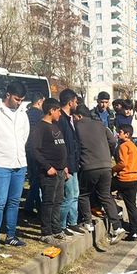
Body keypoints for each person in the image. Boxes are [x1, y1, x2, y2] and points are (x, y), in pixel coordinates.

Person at [0, 81, 30, 252]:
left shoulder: (22, 113)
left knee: (14, 202)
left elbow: (25, 134)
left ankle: (11, 235)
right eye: (17, 99)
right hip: (1, 163)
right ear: (8, 95)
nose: (19, 103)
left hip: (19, 162)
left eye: (22, 100)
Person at [74, 104, 125, 239]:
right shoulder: (101, 125)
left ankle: (87, 221)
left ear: (79, 116)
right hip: (106, 165)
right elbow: (113, 140)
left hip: (89, 166)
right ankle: (117, 225)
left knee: (84, 194)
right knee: (105, 195)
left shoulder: (77, 126)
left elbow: (75, 146)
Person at [27, 98, 69, 244]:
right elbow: (34, 150)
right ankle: (46, 232)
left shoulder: (55, 126)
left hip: (60, 171)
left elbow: (60, 147)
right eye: (58, 110)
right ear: (51, 110)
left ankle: (56, 229)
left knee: (58, 201)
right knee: (48, 202)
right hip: (48, 172)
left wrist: (64, 166)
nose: (60, 114)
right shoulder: (40, 127)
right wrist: (47, 166)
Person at [58, 88, 85, 235]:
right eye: (75, 101)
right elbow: (62, 145)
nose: (76, 104)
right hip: (66, 165)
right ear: (70, 102)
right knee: (68, 196)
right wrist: (65, 166)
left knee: (75, 194)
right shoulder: (61, 119)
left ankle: (72, 222)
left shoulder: (70, 118)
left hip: (74, 163)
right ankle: (61, 224)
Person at [112, 124, 137, 239]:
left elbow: (122, 163)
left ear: (127, 134)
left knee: (103, 190)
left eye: (120, 132)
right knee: (132, 206)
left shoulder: (123, 146)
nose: (118, 134)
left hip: (123, 178)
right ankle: (134, 231)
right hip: (134, 178)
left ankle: (116, 209)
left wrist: (113, 169)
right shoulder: (133, 146)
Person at [24, 92, 46, 217]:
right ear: (39, 102)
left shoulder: (25, 115)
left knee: (33, 179)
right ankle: (37, 206)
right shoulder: (41, 116)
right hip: (38, 149)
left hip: (27, 150)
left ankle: (30, 204)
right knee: (38, 179)